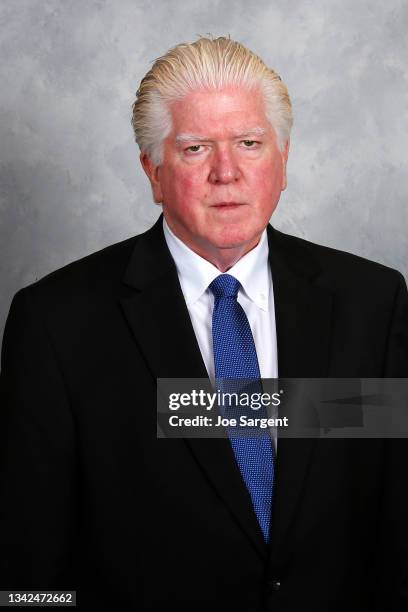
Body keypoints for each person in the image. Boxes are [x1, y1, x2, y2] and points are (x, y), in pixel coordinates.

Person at [1, 36, 407, 611]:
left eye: (249, 143)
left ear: (283, 162)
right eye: (195, 149)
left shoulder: (373, 301)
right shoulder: (56, 323)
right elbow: (27, 569)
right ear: (153, 170)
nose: (227, 172)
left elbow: (393, 527)